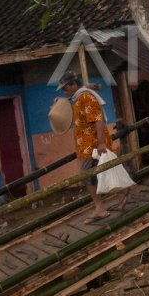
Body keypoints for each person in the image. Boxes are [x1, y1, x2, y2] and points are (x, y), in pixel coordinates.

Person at [59, 71, 112, 220]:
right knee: (103, 172)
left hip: (92, 144)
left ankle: (99, 207)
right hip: (86, 145)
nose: (64, 91)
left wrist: (101, 142)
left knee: (87, 176)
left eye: (65, 88)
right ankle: (121, 194)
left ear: (74, 85)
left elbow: (98, 119)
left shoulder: (86, 97)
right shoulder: (79, 98)